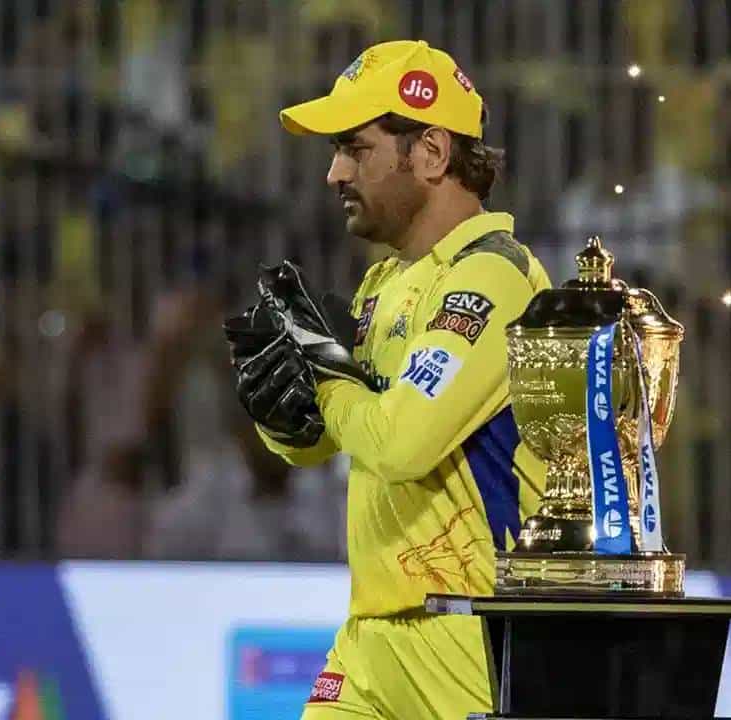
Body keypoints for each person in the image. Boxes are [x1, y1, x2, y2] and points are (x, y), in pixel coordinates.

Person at [224, 40, 551, 719]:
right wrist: (283, 418)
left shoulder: (494, 277)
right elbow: (327, 442)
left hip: (469, 638)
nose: (334, 172)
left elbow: (399, 442)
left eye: (356, 149)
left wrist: (325, 378)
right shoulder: (386, 282)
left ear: (430, 152)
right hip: (372, 635)